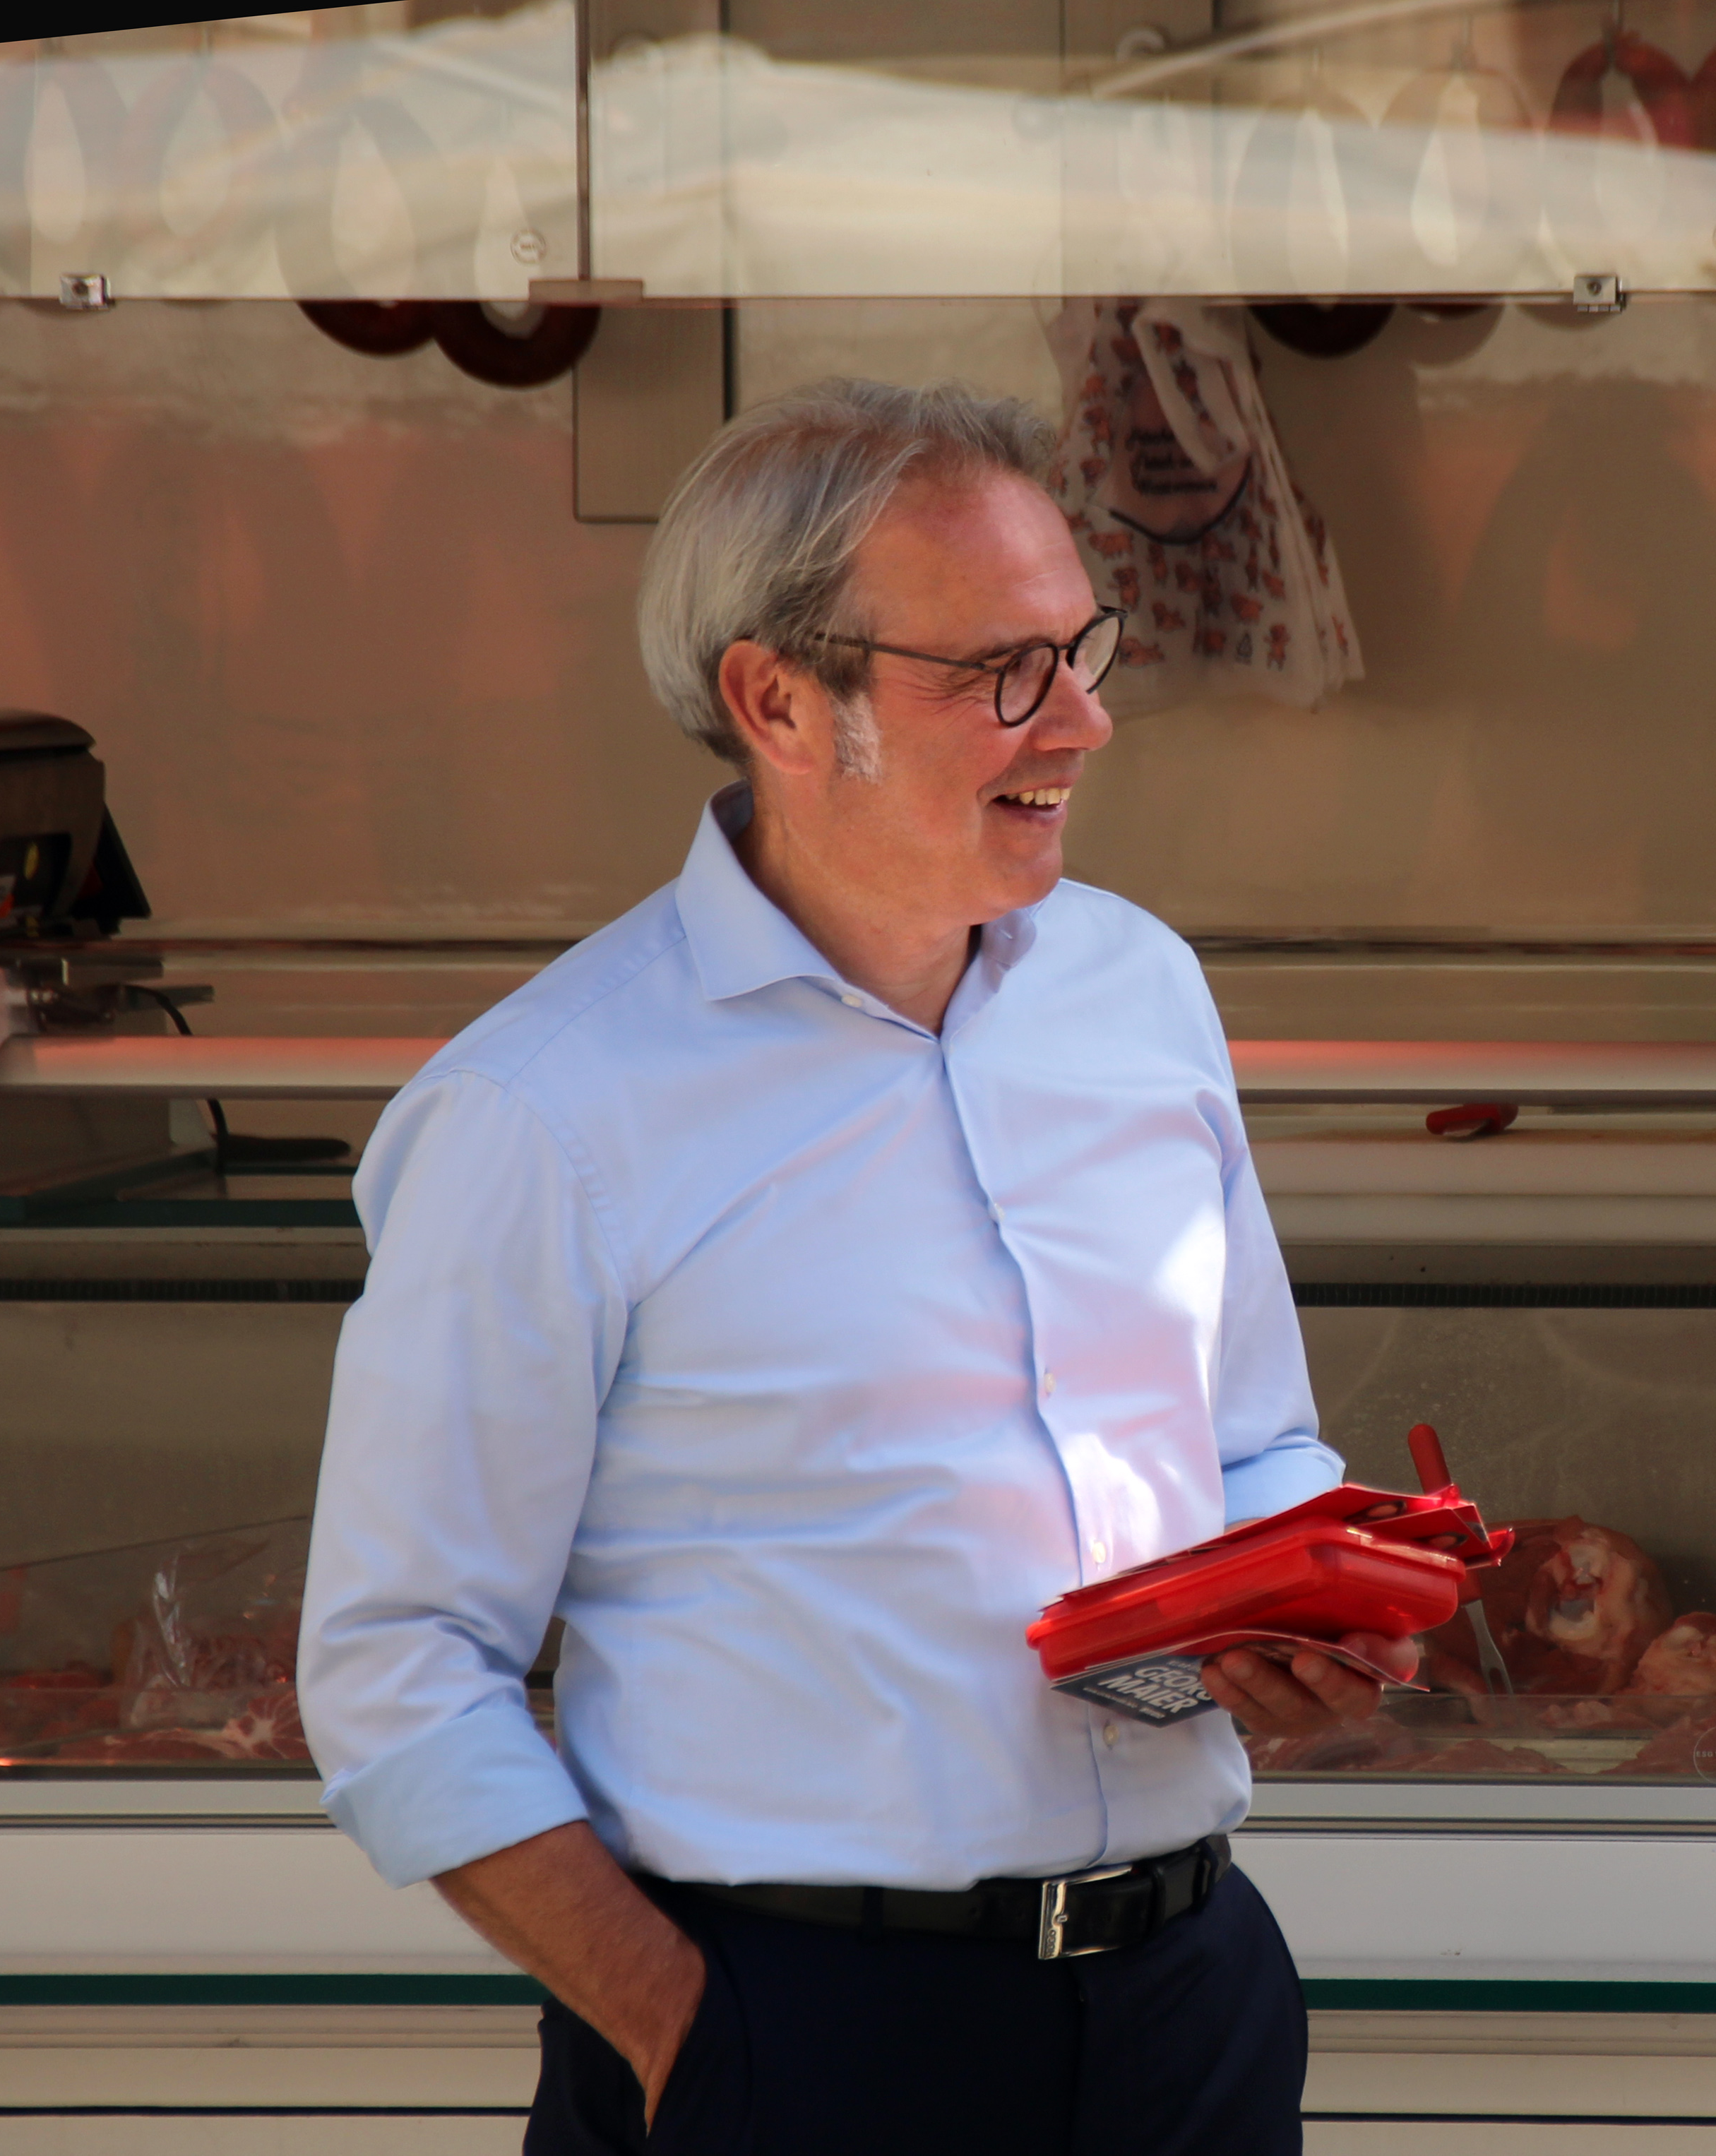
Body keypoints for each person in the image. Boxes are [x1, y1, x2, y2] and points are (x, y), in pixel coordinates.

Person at [297, 379, 1407, 2156]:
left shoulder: (1141, 990)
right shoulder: (546, 1111)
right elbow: (396, 1665)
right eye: (1004, 672)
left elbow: (1249, 1443)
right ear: (777, 700)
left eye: (1081, 647)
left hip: (1187, 2005)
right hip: (798, 2035)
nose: (1088, 721)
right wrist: (689, 2041)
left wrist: (1305, 1599)